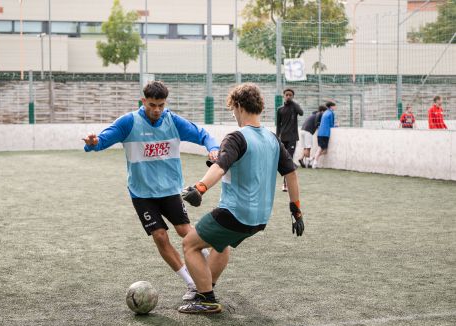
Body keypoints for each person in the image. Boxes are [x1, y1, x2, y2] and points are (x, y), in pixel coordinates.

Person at [82, 81, 219, 301]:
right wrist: (93, 142)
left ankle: (206, 266)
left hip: (170, 190)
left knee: (185, 230)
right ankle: (192, 283)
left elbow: (203, 134)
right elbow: (101, 140)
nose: (156, 110)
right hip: (142, 194)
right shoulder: (129, 122)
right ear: (143, 101)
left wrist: (213, 148)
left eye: (161, 105)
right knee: (160, 236)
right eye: (152, 105)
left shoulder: (173, 121)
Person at [177, 83, 305, 314]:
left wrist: (200, 188)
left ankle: (206, 299)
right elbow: (292, 174)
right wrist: (296, 212)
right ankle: (206, 288)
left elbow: (220, 167)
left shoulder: (236, 137)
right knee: (220, 244)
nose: (233, 114)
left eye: (232, 109)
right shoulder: (272, 139)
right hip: (259, 219)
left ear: (237, 106)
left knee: (190, 245)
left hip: (234, 213)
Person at [276, 88, 304, 191]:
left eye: (290, 95)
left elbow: (301, 113)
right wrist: (277, 137)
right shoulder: (280, 110)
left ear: (292, 96)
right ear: (284, 95)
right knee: (283, 160)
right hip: (283, 138)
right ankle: (287, 180)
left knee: (289, 159)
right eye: (286, 95)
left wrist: (293, 103)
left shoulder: (294, 108)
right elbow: (278, 125)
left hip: (292, 138)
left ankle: (285, 184)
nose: (288, 96)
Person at [312, 101, 336, 169]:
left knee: (325, 151)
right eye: (334, 106)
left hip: (320, 133)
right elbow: (331, 125)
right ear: (331, 107)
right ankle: (314, 163)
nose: (335, 107)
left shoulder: (325, 112)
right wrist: (336, 126)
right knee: (320, 148)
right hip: (325, 134)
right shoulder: (331, 113)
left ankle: (312, 159)